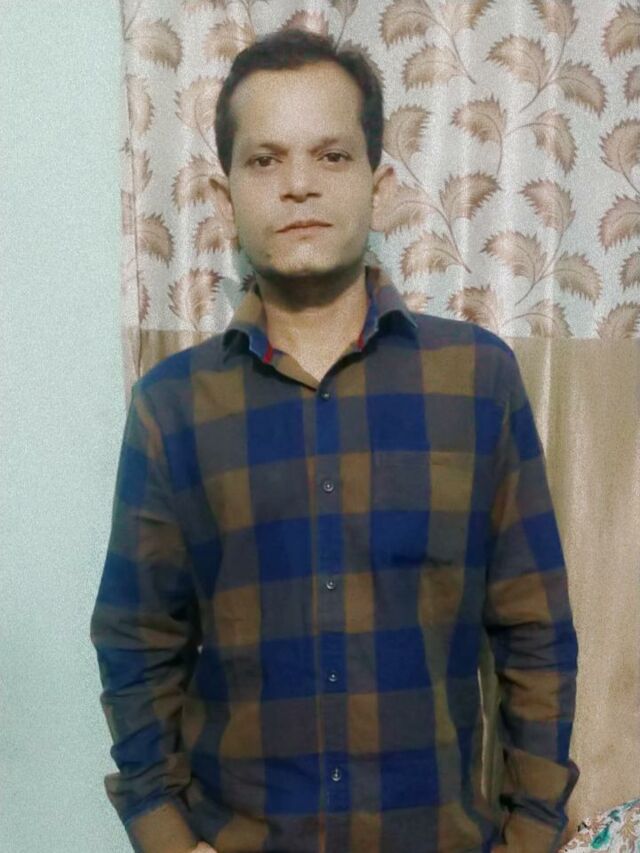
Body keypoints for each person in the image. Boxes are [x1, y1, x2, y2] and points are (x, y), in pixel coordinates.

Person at [90, 27, 580, 853]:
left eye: (332, 155)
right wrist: (165, 835)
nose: (299, 185)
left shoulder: (476, 381)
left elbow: (535, 633)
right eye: (265, 159)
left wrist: (532, 830)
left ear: (378, 186)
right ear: (225, 199)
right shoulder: (171, 407)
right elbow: (136, 643)